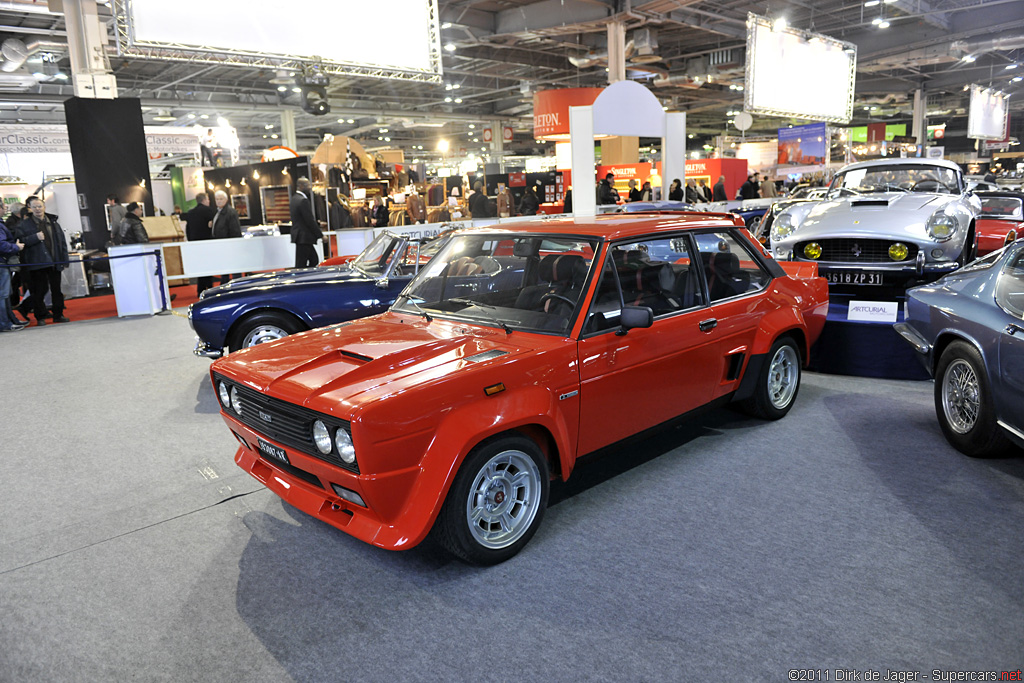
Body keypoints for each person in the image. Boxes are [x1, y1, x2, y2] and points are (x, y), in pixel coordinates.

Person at [15, 196, 69, 325]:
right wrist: (35, 237)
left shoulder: (53, 222)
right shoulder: (23, 225)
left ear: (44, 207)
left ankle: (58, 314)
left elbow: (62, 242)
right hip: (36, 263)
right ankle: (40, 317)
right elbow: (19, 243)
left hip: (55, 261)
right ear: (30, 208)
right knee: (39, 290)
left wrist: (64, 259)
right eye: (34, 207)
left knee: (56, 290)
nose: (38, 209)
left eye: (40, 206)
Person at [184, 192, 216, 296]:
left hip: (195, 244)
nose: (209, 201)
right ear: (204, 200)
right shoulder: (209, 211)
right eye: (208, 199)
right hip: (207, 243)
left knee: (200, 267)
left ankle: (200, 289)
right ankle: (209, 288)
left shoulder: (190, 213)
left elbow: (188, 229)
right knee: (209, 266)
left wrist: (191, 242)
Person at [289, 177, 325, 268]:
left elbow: (303, 219)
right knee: (306, 262)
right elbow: (309, 221)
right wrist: (321, 235)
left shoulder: (294, 199)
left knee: (310, 260)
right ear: (301, 186)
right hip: (304, 237)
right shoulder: (303, 201)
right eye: (308, 185)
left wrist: (318, 224)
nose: (310, 187)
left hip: (300, 237)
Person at [0, 215, 26, 331]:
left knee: (5, 295)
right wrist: (15, 247)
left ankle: (10, 320)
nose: (5, 209)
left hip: (4, 263)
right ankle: (5, 324)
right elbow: (1, 245)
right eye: (3, 206)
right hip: (2, 262)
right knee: (3, 295)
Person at [212, 190, 242, 283]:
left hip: (229, 246)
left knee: (234, 268)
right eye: (217, 199)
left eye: (221, 199)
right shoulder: (218, 212)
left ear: (226, 200)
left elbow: (235, 230)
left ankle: (237, 286)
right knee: (225, 268)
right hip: (222, 245)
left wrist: (233, 245)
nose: (219, 201)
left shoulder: (230, 212)